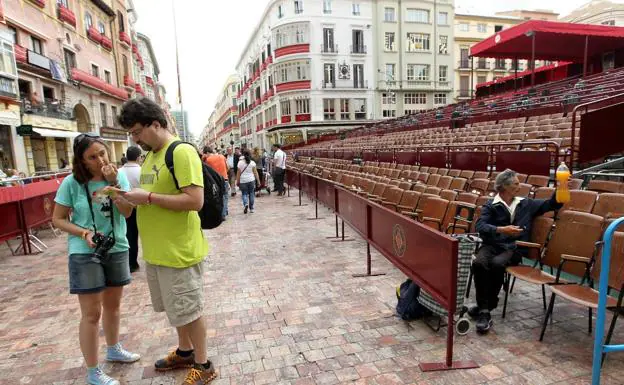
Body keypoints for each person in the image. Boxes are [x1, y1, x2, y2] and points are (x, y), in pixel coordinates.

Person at [116, 98, 216, 384]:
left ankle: (204, 363)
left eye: (137, 131)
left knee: (191, 309)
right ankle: (185, 351)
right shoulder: (150, 156)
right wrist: (126, 196)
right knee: (177, 309)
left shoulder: (180, 152)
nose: (135, 139)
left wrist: (146, 197)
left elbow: (195, 200)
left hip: (179, 250)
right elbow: (150, 196)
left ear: (156, 124)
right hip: (157, 251)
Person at [51, 133, 140, 385]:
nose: (100, 159)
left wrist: (114, 186)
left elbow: (126, 212)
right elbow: (57, 219)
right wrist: (84, 232)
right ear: (81, 161)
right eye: (92, 157)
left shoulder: (118, 176)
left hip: (116, 245)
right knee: (91, 313)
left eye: (102, 153)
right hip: (84, 250)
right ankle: (93, 371)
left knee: (113, 305)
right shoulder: (71, 183)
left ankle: (114, 348)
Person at [470, 169, 563, 334]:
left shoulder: (526, 203)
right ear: (504, 187)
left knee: (497, 264)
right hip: (492, 245)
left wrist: (561, 187)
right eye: (516, 183)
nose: (520, 186)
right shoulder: (491, 205)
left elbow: (552, 204)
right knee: (478, 263)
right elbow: (480, 226)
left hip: (514, 247)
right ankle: (485, 307)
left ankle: (485, 309)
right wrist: (502, 229)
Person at [120, 146, 142, 273]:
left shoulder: (119, 171)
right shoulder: (142, 170)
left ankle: (131, 262)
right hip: (141, 206)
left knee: (129, 235)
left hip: (124, 206)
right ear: (138, 157)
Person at [203, 146, 230, 220]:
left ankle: (222, 213)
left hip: (215, 181)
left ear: (207, 153)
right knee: (225, 196)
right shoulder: (222, 156)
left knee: (217, 197)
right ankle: (225, 211)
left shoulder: (207, 160)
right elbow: (228, 167)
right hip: (225, 179)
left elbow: (206, 171)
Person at [236, 149, 260, 214]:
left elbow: (238, 173)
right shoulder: (252, 163)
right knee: (252, 193)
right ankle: (251, 208)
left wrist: (237, 181)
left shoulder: (240, 163)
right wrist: (258, 181)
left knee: (244, 193)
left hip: (243, 181)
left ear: (243, 155)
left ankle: (245, 204)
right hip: (251, 180)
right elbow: (255, 173)